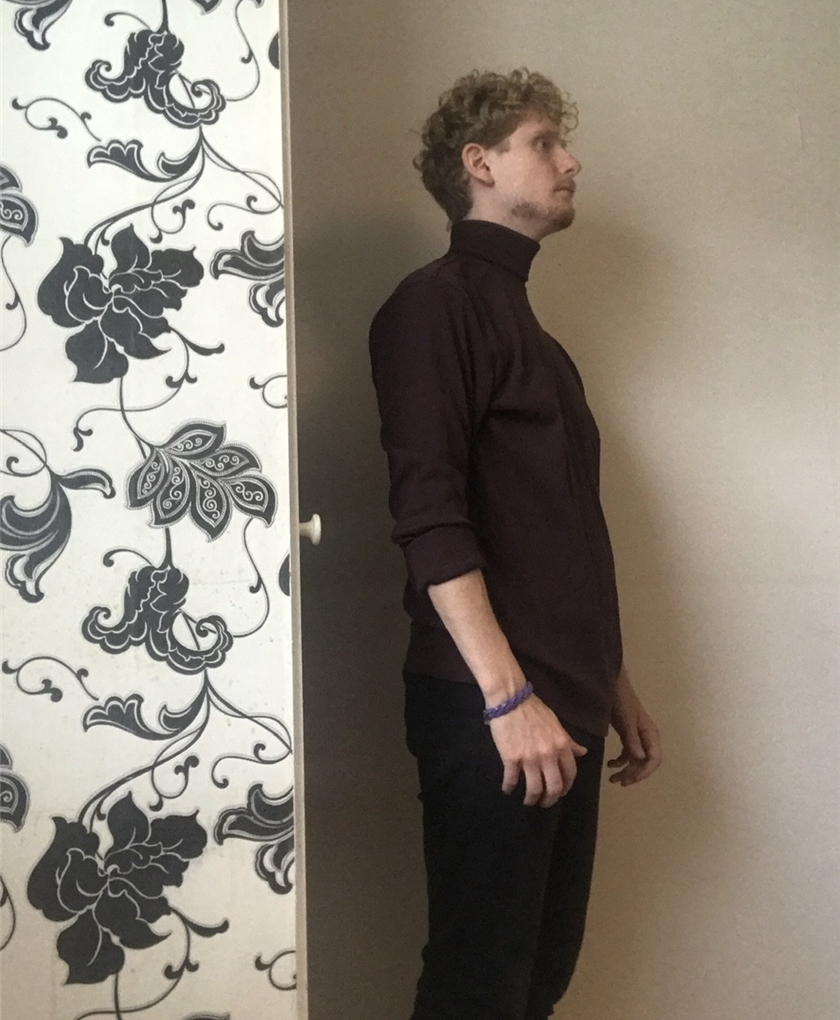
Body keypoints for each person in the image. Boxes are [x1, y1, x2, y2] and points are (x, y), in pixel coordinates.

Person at [368, 68, 662, 1020]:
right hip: (490, 704)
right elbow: (429, 516)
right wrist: (508, 697)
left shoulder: (541, 342)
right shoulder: (431, 306)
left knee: (539, 976)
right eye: (544, 143)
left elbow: (560, 527)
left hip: (560, 700)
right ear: (480, 162)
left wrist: (611, 682)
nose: (571, 162)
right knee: (479, 984)